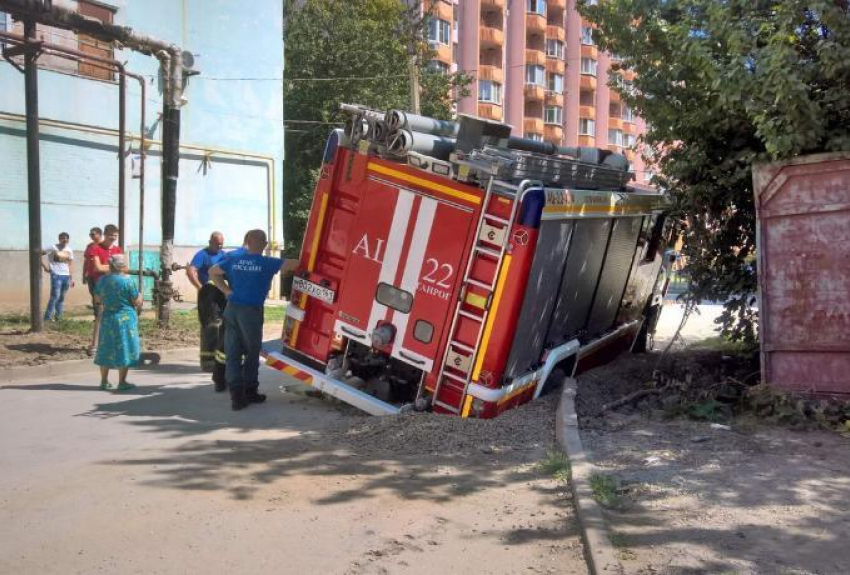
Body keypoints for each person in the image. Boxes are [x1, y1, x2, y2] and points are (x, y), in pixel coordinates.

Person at [209, 229, 297, 410]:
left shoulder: (233, 260)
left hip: (231, 310)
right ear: (265, 244)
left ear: (247, 241)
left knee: (232, 352)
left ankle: (236, 396)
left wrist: (226, 291)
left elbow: (212, 271)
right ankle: (250, 391)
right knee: (251, 351)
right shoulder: (266, 263)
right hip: (250, 312)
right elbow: (294, 264)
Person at [93, 254, 142, 391]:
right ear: (122, 266)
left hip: (108, 317)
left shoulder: (102, 280)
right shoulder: (128, 281)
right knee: (125, 348)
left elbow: (97, 299)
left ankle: (103, 381)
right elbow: (136, 302)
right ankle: (122, 382)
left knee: (105, 347)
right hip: (125, 319)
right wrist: (141, 296)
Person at [188, 232, 228, 379]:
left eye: (222, 244)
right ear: (210, 241)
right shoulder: (202, 255)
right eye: (217, 243)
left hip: (221, 294)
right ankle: (207, 362)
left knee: (221, 326)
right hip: (208, 294)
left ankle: (219, 361)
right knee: (209, 326)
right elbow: (191, 270)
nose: (220, 246)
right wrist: (200, 287)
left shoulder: (224, 255)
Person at [86, 224, 123, 355]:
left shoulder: (118, 249)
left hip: (114, 285)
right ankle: (94, 346)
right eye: (111, 235)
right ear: (105, 235)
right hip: (100, 285)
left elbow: (123, 268)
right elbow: (98, 268)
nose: (114, 237)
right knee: (100, 314)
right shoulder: (95, 249)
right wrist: (114, 267)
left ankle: (112, 344)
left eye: (116, 235)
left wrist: (109, 267)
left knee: (115, 315)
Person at [42, 232, 75, 321]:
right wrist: (45, 267)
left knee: (61, 297)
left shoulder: (70, 250)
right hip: (56, 274)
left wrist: (71, 278)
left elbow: (71, 264)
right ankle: (47, 318)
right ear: (59, 239)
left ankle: (59, 318)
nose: (65, 240)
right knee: (55, 296)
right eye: (62, 238)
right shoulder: (53, 247)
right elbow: (38, 254)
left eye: (66, 238)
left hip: (66, 276)